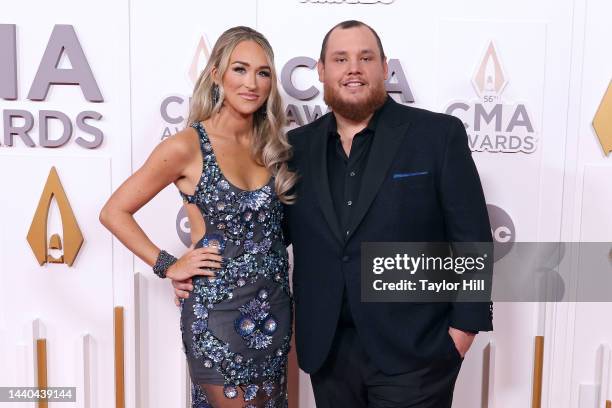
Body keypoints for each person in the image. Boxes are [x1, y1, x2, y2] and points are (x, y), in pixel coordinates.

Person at [174, 20, 494, 407]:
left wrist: (462, 332)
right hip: (328, 355)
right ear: (322, 71)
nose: (353, 68)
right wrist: (198, 267)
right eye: (340, 59)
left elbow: (472, 238)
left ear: (384, 68)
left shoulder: (437, 135)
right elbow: (263, 235)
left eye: (365, 58)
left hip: (417, 354)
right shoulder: (294, 149)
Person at [100, 26, 296, 408]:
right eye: (239, 69)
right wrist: (169, 265)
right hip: (217, 315)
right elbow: (113, 212)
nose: (252, 83)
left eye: (263, 72)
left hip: (273, 314)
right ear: (216, 75)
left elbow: (272, 234)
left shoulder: (272, 146)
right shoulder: (186, 146)